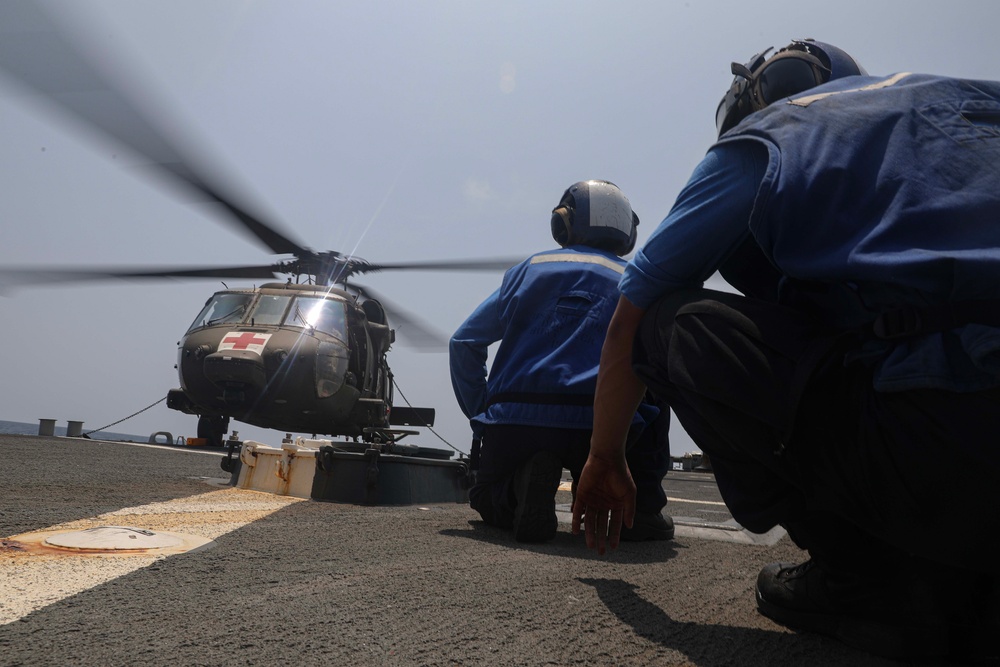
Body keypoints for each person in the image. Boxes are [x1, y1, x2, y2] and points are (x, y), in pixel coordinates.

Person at [571, 40, 1000, 662]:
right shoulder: (978, 96)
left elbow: (626, 326)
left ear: (759, 96)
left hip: (947, 443)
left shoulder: (773, 136)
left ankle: (863, 579)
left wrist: (604, 455)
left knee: (670, 324)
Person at [450, 180, 673, 543]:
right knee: (657, 381)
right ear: (627, 233)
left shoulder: (526, 270)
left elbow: (463, 342)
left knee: (485, 497)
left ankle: (517, 492)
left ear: (563, 223)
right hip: (604, 427)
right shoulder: (636, 281)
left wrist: (484, 416)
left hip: (515, 420)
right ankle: (644, 509)